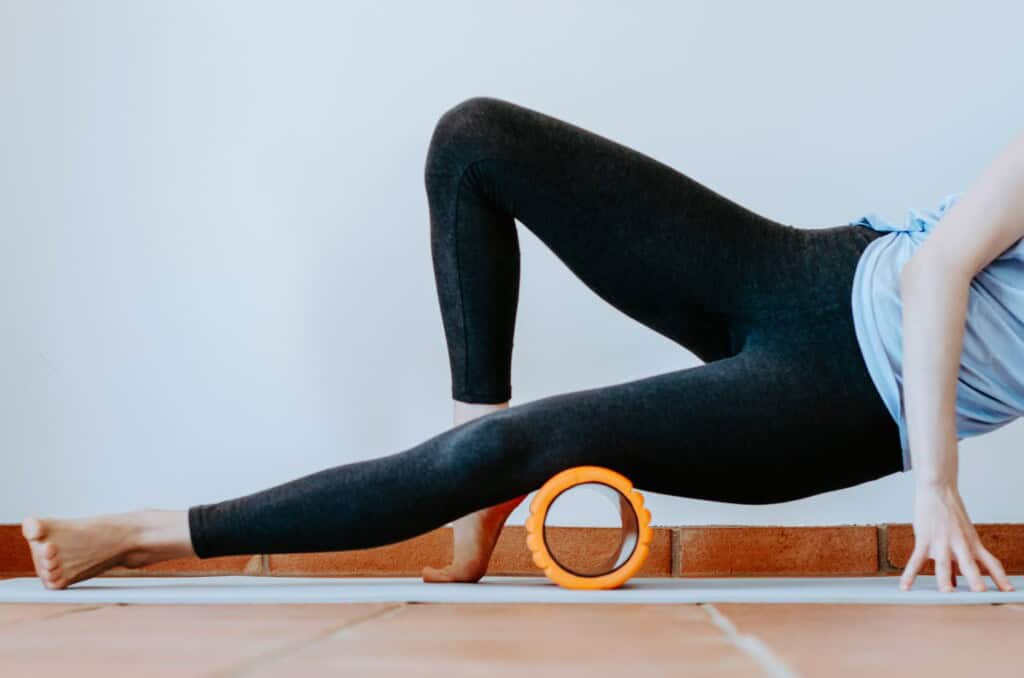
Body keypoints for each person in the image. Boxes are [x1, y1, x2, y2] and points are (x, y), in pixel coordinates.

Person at [21, 97, 1020, 594]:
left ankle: (141, 534)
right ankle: (478, 465)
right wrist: (936, 485)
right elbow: (937, 269)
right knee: (477, 141)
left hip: (838, 405)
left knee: (503, 458)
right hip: (812, 271)